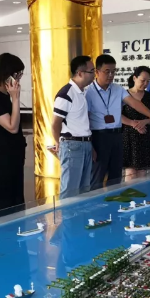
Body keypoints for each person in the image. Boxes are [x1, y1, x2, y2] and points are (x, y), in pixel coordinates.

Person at [85, 54, 150, 190]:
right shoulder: (88, 92)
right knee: (97, 176)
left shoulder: (117, 89)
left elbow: (135, 103)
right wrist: (90, 144)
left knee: (116, 176)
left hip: (118, 136)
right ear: (97, 72)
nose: (111, 75)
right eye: (107, 71)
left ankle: (115, 200)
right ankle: (96, 202)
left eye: (113, 71)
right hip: (99, 137)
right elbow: (86, 119)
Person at [0, 53, 26, 216]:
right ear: (6, 74)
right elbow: (12, 127)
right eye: (17, 74)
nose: (18, 79)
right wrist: (16, 98)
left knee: (15, 201)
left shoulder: (5, 95)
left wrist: (13, 97)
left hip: (13, 155)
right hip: (2, 159)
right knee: (2, 205)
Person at [50, 56, 95, 199]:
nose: (94, 74)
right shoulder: (66, 94)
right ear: (80, 73)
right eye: (91, 71)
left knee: (84, 189)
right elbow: (55, 123)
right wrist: (58, 142)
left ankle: (80, 214)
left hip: (85, 143)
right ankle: (67, 214)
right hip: (72, 145)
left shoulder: (82, 92)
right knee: (70, 190)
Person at [122, 66, 150, 180]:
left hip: (144, 136)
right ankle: (129, 192)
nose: (145, 83)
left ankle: (142, 192)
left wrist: (144, 121)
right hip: (128, 137)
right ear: (134, 78)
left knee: (142, 172)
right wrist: (133, 124)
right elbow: (117, 115)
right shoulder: (124, 95)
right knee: (130, 172)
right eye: (143, 80)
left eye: (148, 81)